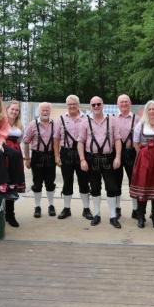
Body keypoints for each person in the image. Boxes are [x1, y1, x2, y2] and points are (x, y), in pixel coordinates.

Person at [77, 96, 122, 228]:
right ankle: (97, 214)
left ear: (103, 105)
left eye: (98, 104)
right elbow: (80, 142)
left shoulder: (112, 120)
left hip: (108, 158)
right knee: (95, 188)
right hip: (92, 159)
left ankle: (113, 216)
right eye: (93, 105)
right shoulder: (85, 122)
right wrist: (82, 160)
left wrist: (118, 157)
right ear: (90, 106)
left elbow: (118, 139)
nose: (96, 107)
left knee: (112, 187)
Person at [130, 100, 154, 229]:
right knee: (143, 185)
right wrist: (143, 154)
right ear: (146, 111)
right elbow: (135, 143)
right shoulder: (140, 125)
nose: (152, 111)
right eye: (150, 109)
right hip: (144, 159)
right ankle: (141, 216)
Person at [53, 95, 92, 220]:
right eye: (69, 104)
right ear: (66, 105)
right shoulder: (60, 119)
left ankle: (86, 209)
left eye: (74, 103)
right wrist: (57, 156)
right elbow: (56, 139)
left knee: (84, 182)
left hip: (82, 154)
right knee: (67, 181)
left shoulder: (86, 118)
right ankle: (66, 208)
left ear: (78, 104)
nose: (72, 106)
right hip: (66, 153)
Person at [24, 103, 56, 218]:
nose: (45, 112)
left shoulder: (55, 124)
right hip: (37, 156)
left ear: (50, 111)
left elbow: (58, 142)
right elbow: (26, 142)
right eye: (43, 110)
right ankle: (37, 206)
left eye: (47, 110)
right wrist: (27, 159)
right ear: (39, 111)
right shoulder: (32, 124)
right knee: (37, 183)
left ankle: (51, 205)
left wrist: (57, 157)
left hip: (51, 156)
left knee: (50, 182)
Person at [114, 94, 140, 220]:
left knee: (133, 182)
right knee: (116, 182)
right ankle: (117, 208)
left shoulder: (138, 119)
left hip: (132, 153)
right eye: (121, 102)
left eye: (126, 102)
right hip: (117, 154)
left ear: (130, 103)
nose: (124, 104)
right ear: (117, 104)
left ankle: (135, 209)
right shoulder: (112, 118)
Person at [3, 100, 25, 227]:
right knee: (3, 183)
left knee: (12, 185)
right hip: (4, 154)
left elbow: (20, 140)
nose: (14, 111)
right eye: (12, 109)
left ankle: (10, 215)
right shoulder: (1, 123)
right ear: (7, 109)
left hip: (16, 154)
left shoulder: (20, 125)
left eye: (17, 110)